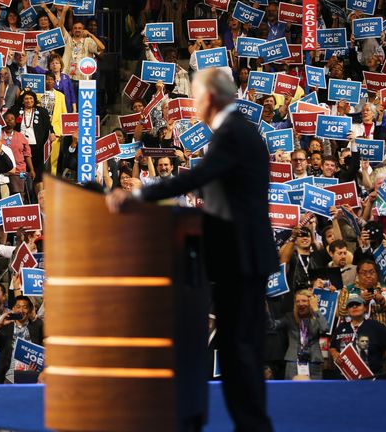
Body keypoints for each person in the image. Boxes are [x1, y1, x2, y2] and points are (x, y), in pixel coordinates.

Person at [106, 69, 276, 432]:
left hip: (242, 259)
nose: (194, 105)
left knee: (240, 353)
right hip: (237, 256)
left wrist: (139, 193)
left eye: (197, 97)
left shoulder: (233, 134)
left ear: (212, 98)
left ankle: (254, 427)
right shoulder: (238, 133)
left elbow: (195, 177)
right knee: (238, 352)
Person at [268, 290, 329, 380]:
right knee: (291, 392)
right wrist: (265, 311)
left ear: (311, 302)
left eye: (304, 301)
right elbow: (272, 326)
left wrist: (316, 309)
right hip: (293, 362)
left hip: (314, 362)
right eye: (297, 301)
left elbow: (325, 329)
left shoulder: (317, 317)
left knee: (315, 392)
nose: (300, 304)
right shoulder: (289, 317)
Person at [330, 296, 386, 375]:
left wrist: (383, 356)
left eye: (358, 304)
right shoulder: (341, 327)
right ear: (347, 311)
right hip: (345, 377)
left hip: (371, 377)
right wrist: (335, 354)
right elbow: (332, 346)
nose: (354, 306)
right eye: (351, 305)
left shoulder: (375, 326)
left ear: (365, 308)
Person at [0, 295, 44, 384]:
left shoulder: (37, 326)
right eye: (18, 307)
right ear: (13, 309)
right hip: (9, 377)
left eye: (25, 307)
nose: (21, 310)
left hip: (31, 375)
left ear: (30, 310)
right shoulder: (5, 326)